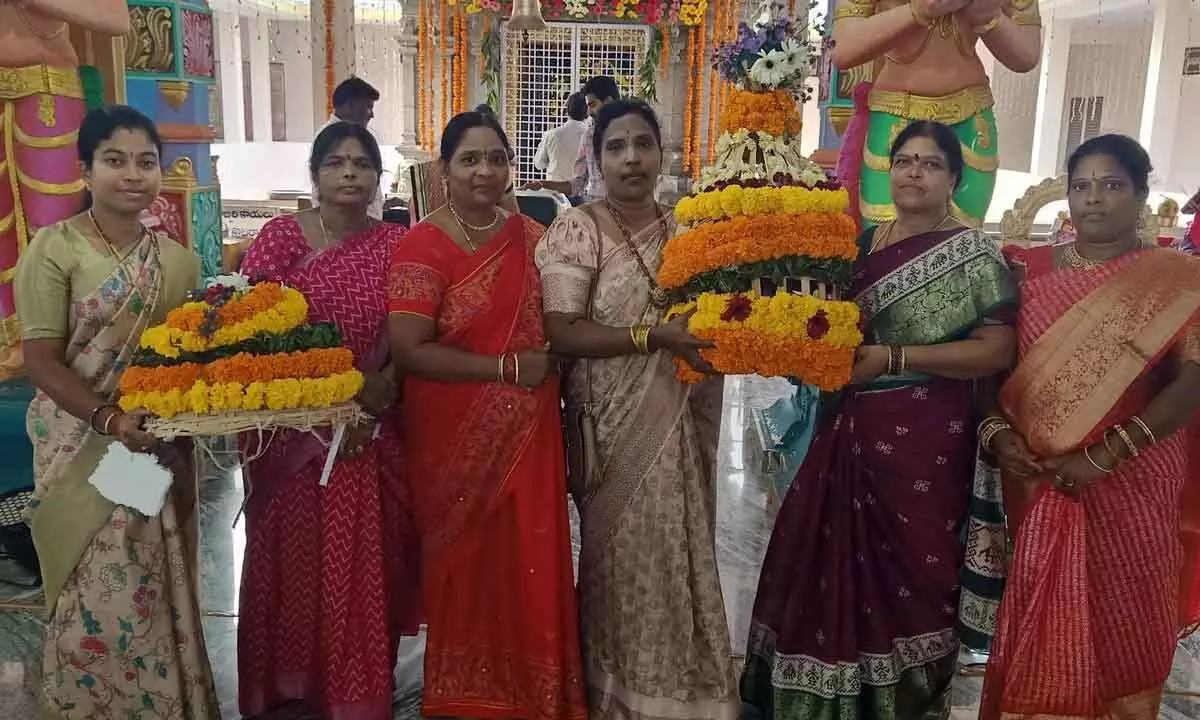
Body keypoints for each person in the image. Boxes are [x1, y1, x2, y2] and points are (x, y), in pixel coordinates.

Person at [740, 120, 1018, 718]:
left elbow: (996, 350)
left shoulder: (974, 253)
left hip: (929, 438)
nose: (914, 172)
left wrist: (895, 358)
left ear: (955, 180)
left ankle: (913, 695)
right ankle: (829, 696)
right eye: (904, 161)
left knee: (920, 568)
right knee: (825, 555)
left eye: (931, 164)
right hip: (851, 429)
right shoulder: (861, 244)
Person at [979, 135, 1200, 719]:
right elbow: (992, 368)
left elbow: (1191, 384)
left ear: (1142, 194)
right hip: (1040, 480)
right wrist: (998, 436)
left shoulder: (1178, 279)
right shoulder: (1027, 271)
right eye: (1081, 186)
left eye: (1112, 185)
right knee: (1045, 609)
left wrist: (1104, 456)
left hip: (1136, 478)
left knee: (1128, 615)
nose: (1094, 199)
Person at [536, 99, 738, 720]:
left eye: (643, 145)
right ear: (595, 160)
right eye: (617, 147)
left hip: (682, 414)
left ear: (662, 154)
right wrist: (654, 338)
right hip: (612, 423)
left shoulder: (690, 234)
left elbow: (717, 321)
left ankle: (682, 688)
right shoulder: (579, 229)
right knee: (620, 558)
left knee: (681, 542)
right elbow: (563, 330)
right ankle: (616, 690)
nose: (632, 158)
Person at [14, 105, 217, 718]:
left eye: (146, 162)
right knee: (93, 581)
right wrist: (108, 419)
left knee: (153, 578)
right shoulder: (55, 249)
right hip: (85, 443)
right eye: (115, 160)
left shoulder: (178, 262)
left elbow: (190, 358)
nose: (133, 174)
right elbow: (42, 360)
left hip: (154, 447)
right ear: (85, 169)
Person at [387, 110, 587, 720]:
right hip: (450, 437)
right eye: (469, 159)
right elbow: (409, 349)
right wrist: (503, 369)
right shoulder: (422, 243)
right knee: (464, 563)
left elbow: (562, 327)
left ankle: (536, 691)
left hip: (531, 433)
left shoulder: (533, 236)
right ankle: (462, 695)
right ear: (443, 169)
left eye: (496, 158)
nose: (485, 170)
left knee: (529, 559)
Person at [236, 121, 420, 720]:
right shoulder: (281, 238)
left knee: (366, 562)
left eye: (362, 163)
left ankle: (356, 687)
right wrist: (338, 387)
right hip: (293, 430)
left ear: (376, 177)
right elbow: (256, 330)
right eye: (336, 162)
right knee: (290, 558)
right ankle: (288, 681)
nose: (349, 173)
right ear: (314, 175)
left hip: (370, 426)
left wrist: (384, 384)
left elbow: (410, 325)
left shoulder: (397, 243)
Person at [0, 0, 130, 377]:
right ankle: (14, 341)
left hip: (47, 92)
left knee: (52, 225)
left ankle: (63, 341)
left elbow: (117, 18)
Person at [830, 0, 1041, 228]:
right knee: (886, 238)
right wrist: (919, 10)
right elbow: (843, 49)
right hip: (894, 113)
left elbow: (1027, 56)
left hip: (971, 116)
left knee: (962, 241)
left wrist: (989, 18)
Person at [525, 76, 620, 203]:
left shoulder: (632, 133)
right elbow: (577, 184)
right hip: (595, 213)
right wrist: (542, 184)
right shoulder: (589, 136)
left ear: (608, 102)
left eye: (593, 105)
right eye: (588, 106)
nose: (589, 112)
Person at [312, 76, 391, 219]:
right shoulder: (328, 137)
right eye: (368, 107)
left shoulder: (361, 136)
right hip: (340, 227)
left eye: (362, 164)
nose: (372, 115)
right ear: (351, 105)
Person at [533, 93, 589, 188]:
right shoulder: (591, 137)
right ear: (587, 112)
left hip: (554, 191)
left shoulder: (551, 135)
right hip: (581, 191)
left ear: (567, 111)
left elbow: (539, 164)